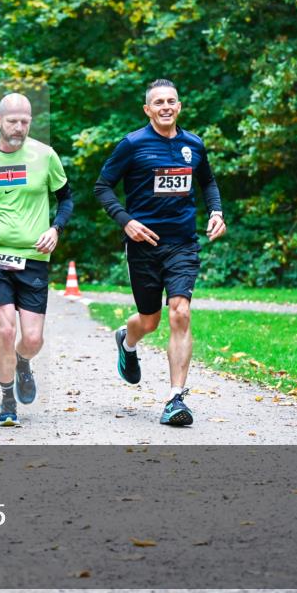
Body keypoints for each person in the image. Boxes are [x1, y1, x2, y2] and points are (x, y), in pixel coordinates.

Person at [93, 79, 226, 427]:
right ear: (148, 109)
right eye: (158, 102)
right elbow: (102, 186)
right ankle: (127, 339)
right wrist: (126, 222)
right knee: (149, 320)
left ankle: (175, 398)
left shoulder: (193, 145)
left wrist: (216, 211)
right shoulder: (133, 145)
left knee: (180, 312)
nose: (165, 106)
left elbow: (208, 181)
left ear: (179, 106)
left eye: (171, 101)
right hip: (143, 245)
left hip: (182, 244)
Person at [0, 93, 73, 427]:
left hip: (34, 256)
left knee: (32, 338)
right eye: (12, 121)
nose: (19, 128)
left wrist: (56, 228)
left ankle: (22, 362)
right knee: (5, 329)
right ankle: (7, 399)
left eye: (25, 121)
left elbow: (66, 199)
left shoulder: (45, 156)